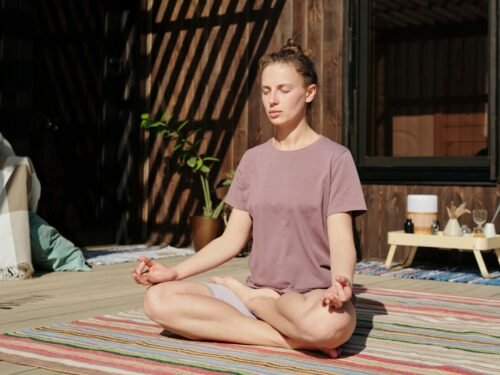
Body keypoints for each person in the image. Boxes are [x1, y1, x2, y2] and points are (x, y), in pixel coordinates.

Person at [132, 39, 367, 357]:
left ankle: (259, 308)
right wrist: (175, 272)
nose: (273, 100)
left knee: (330, 327)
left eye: (284, 90)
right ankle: (285, 336)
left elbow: (341, 240)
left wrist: (342, 284)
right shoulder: (253, 161)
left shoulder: (335, 159)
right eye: (266, 90)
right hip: (261, 290)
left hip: (313, 298)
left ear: (309, 92)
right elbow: (231, 240)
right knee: (157, 300)